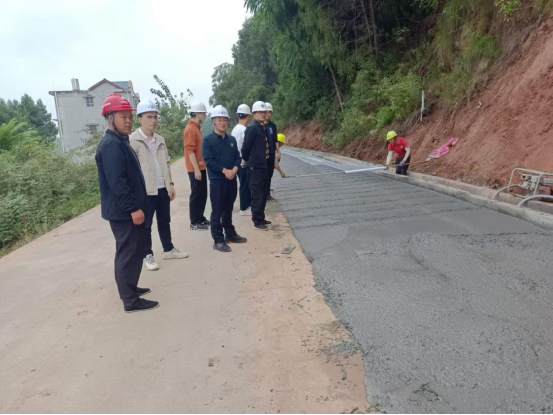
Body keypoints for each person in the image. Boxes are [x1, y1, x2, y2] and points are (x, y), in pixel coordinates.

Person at [95, 94, 159, 313]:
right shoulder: (111, 145)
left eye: (130, 117)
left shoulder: (120, 141)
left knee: (133, 251)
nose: (129, 121)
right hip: (123, 212)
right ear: (110, 118)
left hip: (128, 210)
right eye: (123, 117)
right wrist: (133, 208)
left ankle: (130, 288)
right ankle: (130, 301)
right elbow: (118, 182)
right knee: (127, 253)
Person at [130, 100, 189, 272]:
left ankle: (168, 249)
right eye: (149, 117)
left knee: (164, 221)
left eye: (155, 117)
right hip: (146, 190)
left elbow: (167, 163)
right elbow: (131, 170)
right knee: (146, 225)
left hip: (162, 187)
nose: (153, 120)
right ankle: (147, 254)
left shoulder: (160, 140)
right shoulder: (133, 140)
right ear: (139, 118)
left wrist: (170, 183)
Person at [203, 106, 248, 253]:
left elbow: (237, 157)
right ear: (213, 122)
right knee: (217, 211)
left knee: (228, 208)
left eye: (224, 120)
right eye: (219, 120)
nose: (222, 123)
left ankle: (230, 234)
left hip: (231, 180)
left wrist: (234, 170)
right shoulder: (208, 140)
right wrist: (224, 171)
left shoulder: (231, 140)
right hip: (217, 181)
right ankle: (218, 239)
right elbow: (208, 160)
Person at [242, 101, 272, 232]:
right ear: (254, 114)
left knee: (264, 193)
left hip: (264, 166)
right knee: (257, 195)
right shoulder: (252, 129)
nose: (263, 114)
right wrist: (247, 159)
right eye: (260, 112)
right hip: (255, 167)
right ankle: (257, 221)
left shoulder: (264, 128)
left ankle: (261, 217)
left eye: (265, 112)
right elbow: (245, 148)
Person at [184, 102, 210, 231]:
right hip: (195, 168)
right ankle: (194, 222)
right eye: (204, 114)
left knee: (203, 193)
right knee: (196, 194)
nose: (204, 116)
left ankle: (200, 217)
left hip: (201, 167)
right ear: (198, 114)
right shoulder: (190, 129)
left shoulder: (196, 128)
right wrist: (195, 169)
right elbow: (190, 150)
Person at [231, 104, 252, 217]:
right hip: (243, 161)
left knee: (244, 183)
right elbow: (246, 147)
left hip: (237, 161)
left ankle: (246, 206)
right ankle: (244, 208)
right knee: (245, 184)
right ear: (248, 116)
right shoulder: (244, 130)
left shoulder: (235, 129)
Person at [264, 103, 278, 201]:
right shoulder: (261, 126)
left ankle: (267, 193)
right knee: (263, 174)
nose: (268, 114)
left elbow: (275, 140)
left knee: (269, 173)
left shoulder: (273, 126)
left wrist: (279, 152)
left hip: (272, 153)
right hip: (264, 154)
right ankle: (263, 192)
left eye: (269, 112)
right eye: (266, 112)